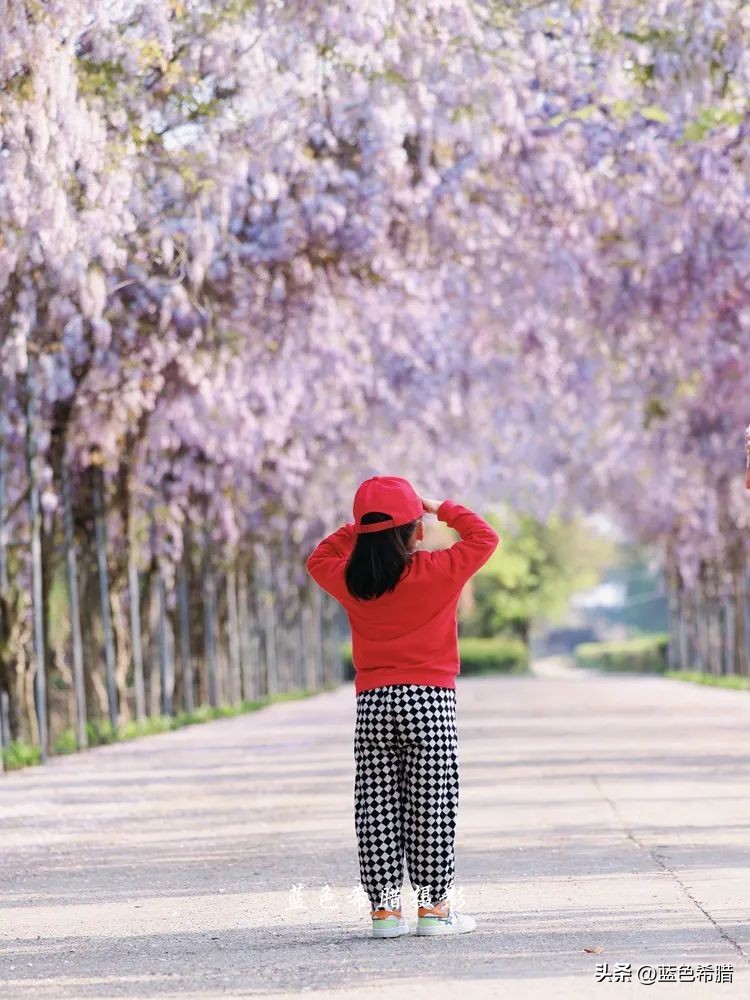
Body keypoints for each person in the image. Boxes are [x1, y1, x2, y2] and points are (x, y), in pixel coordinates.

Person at [305, 475, 500, 939]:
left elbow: (318, 559)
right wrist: (441, 507)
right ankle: (434, 910)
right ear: (416, 530)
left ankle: (385, 913)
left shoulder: (352, 580)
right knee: (432, 804)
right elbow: (484, 536)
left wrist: (359, 529)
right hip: (430, 702)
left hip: (373, 704)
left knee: (376, 805)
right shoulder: (438, 570)